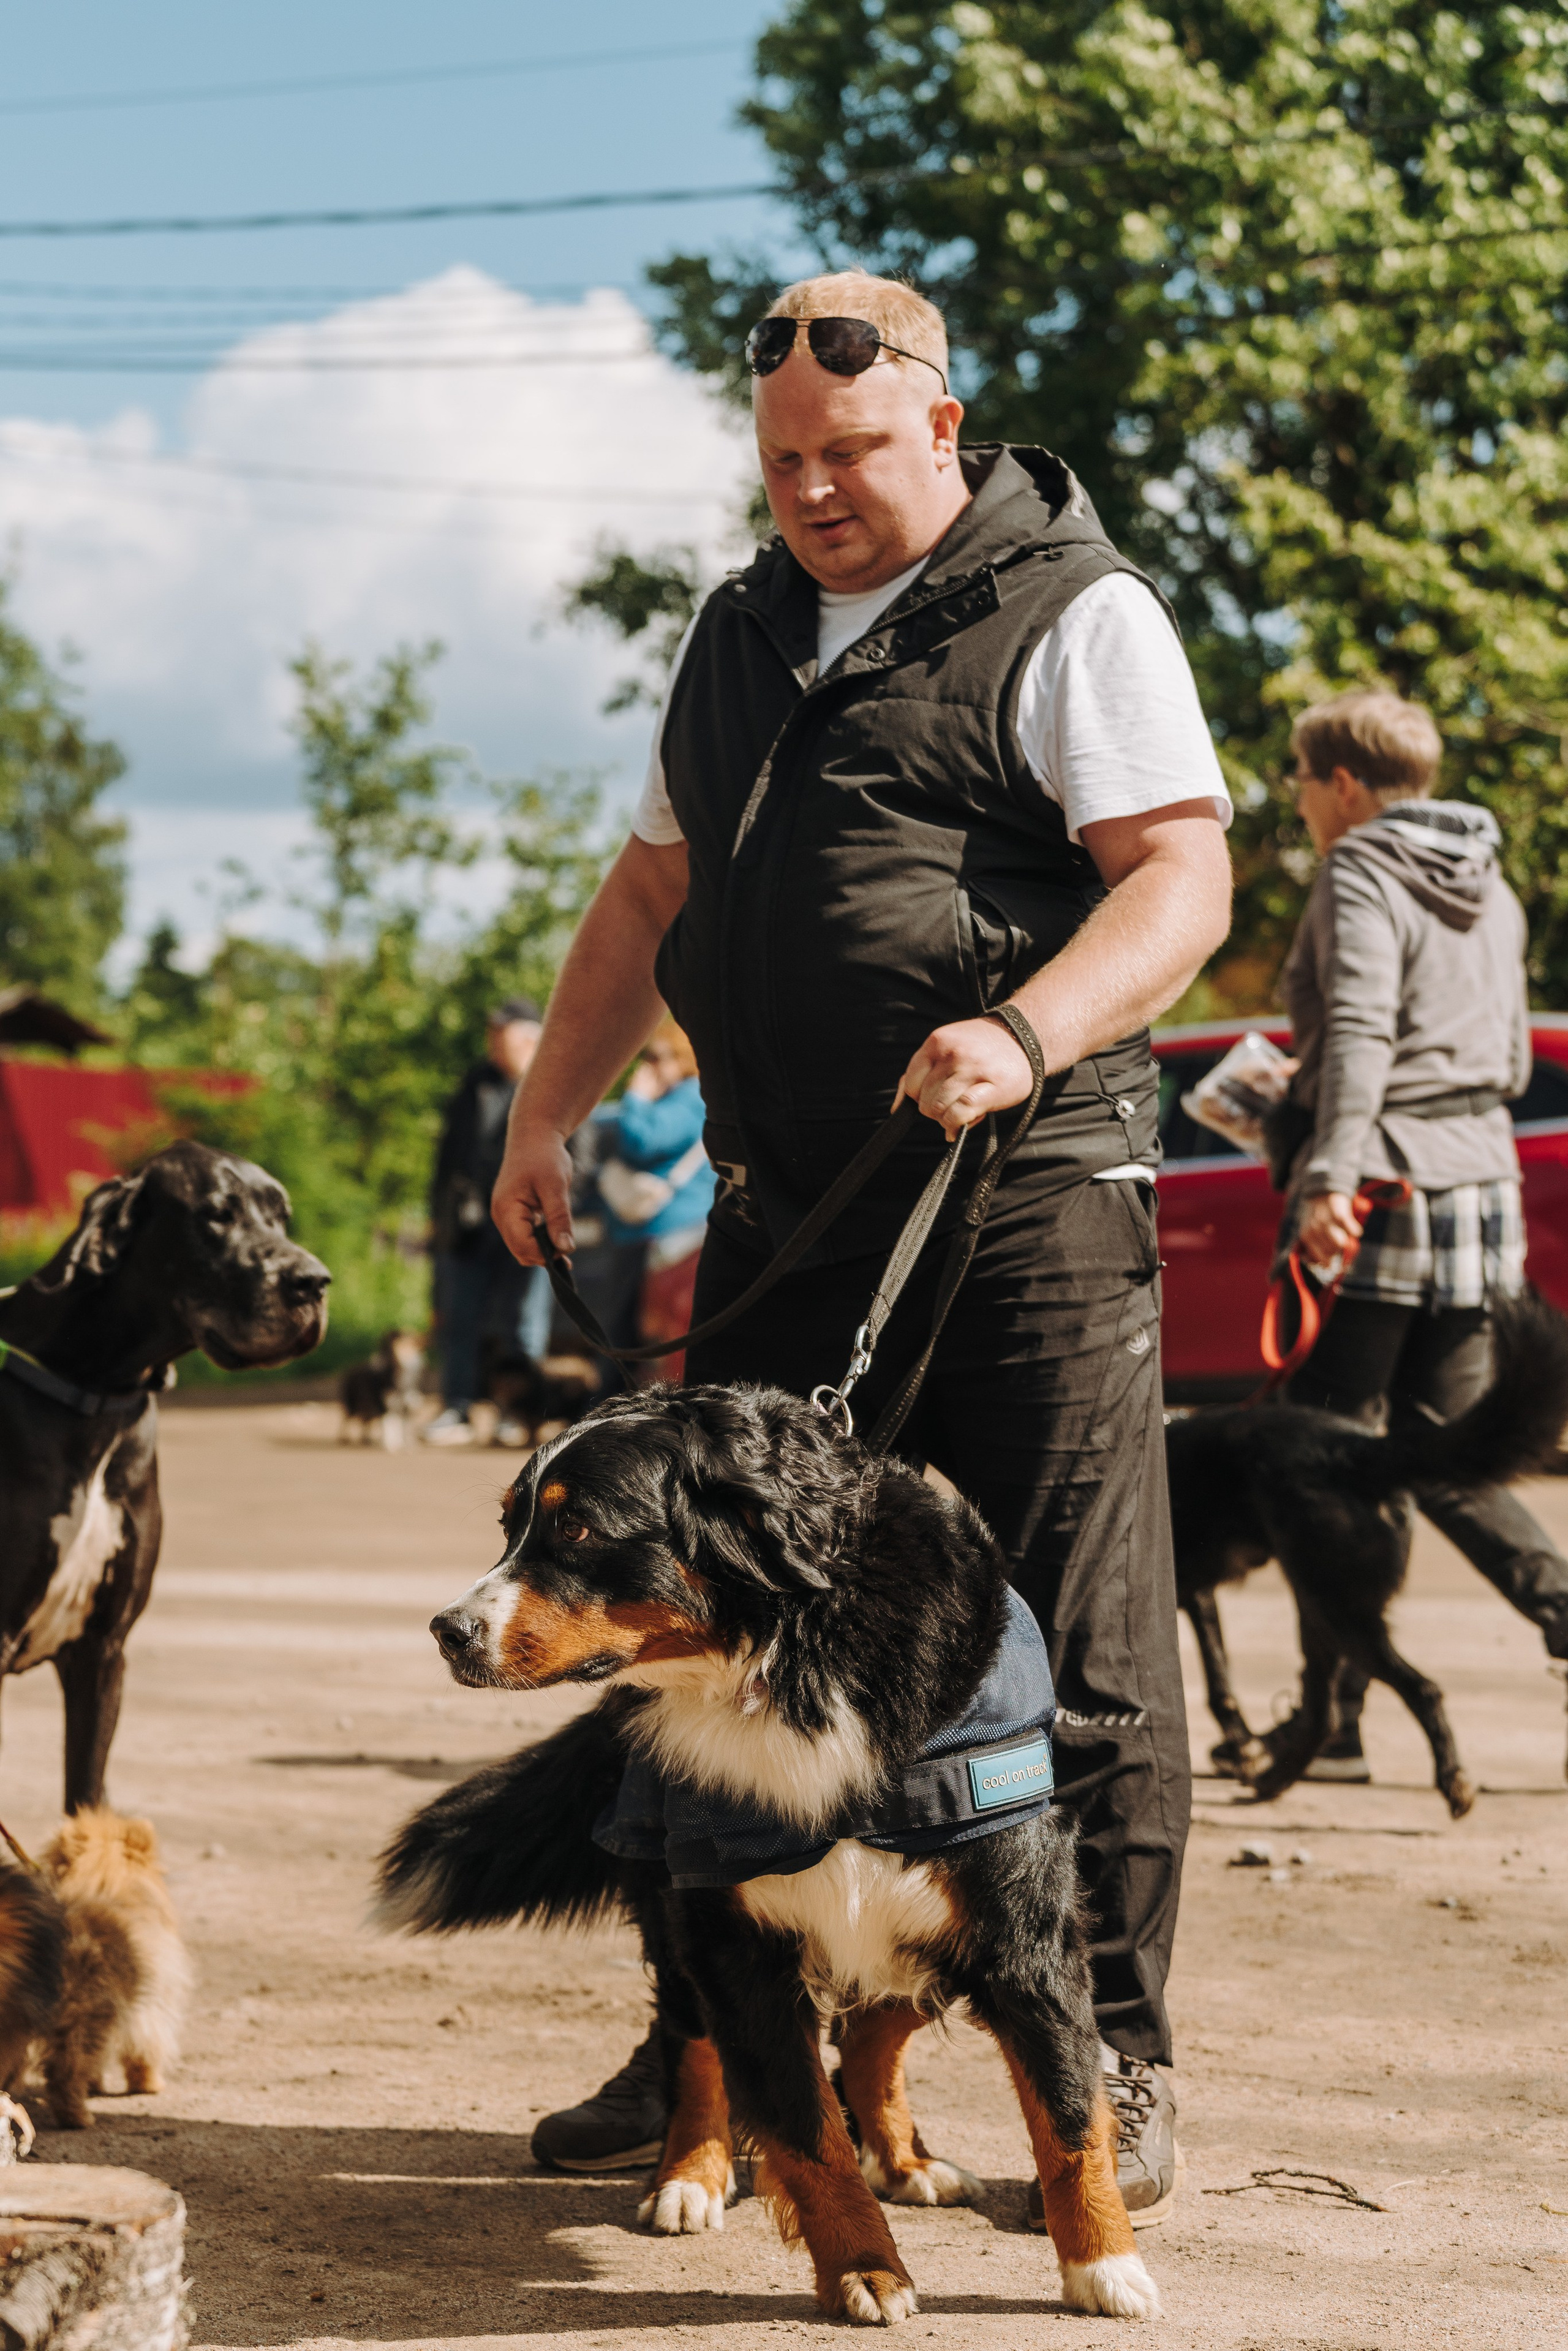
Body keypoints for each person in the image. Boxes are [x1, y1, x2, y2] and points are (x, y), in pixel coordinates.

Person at [492, 272, 1233, 2211]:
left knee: (1071, 1636)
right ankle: (717, 2052)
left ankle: (1116, 2063)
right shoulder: (737, 629)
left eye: (847, 453)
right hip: (787, 1208)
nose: (812, 491)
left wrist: (1024, 1024)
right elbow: (650, 885)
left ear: (941, 420)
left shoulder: (1075, 609)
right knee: (710, 1638)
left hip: (1021, 1196)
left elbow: (1182, 877)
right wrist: (543, 1107)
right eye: (781, 462)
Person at [1267, 688, 1568, 1775]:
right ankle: (1565, 1611)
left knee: (1325, 1455)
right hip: (1480, 1185)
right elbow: (1514, 1056)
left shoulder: (1359, 868)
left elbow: (1360, 1032)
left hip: (1384, 1181)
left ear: (1344, 783)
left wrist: (1326, 1177)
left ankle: (1331, 1721)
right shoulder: (1493, 881)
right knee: (1454, 1446)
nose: (1299, 801)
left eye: (1301, 780)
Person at [424, 998, 553, 1447]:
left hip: (531, 1222)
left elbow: (585, 1146)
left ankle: (517, 1414)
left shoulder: (558, 1081)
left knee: (522, 1323)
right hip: (470, 1228)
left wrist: (557, 1208)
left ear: (531, 1040)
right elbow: (447, 1156)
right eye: (493, 1036)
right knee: (460, 1319)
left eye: (504, 1035)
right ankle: (457, 1407)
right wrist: (437, 1216)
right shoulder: (475, 1083)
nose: (494, 1044)